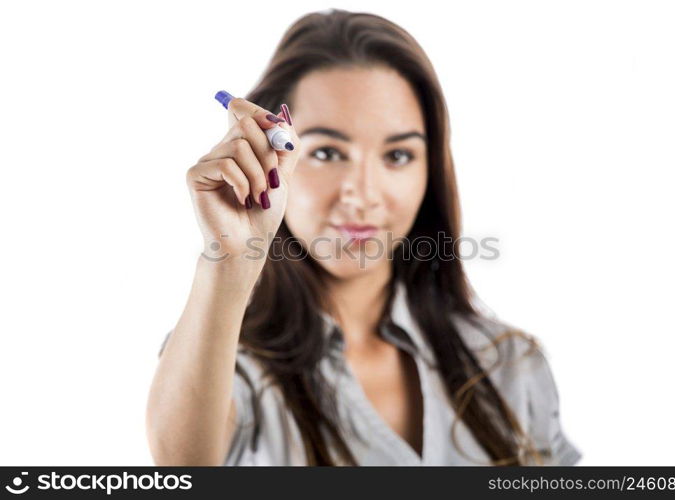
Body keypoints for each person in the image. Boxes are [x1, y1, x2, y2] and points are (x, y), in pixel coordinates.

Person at [146, 8, 582, 466]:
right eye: (329, 151)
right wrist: (231, 259)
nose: (363, 194)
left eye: (397, 155)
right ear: (273, 154)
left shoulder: (510, 364)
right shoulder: (223, 361)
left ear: (429, 170)